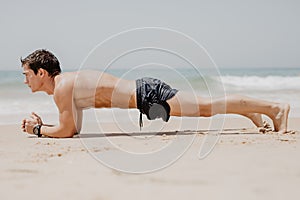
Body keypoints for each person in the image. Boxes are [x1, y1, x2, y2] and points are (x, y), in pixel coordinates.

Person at [21, 49, 290, 138]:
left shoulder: (63, 87)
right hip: (145, 96)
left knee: (207, 107)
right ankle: (252, 112)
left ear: (42, 73)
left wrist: (37, 130)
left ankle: (274, 108)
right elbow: (74, 127)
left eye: (27, 74)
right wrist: (47, 127)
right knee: (207, 107)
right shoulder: (65, 86)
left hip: (148, 94)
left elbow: (67, 131)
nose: (25, 81)